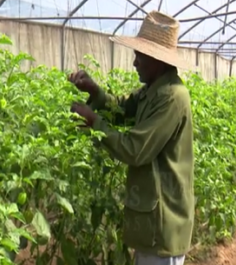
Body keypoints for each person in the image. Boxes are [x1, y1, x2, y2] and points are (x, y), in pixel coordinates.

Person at [69, 11, 195, 265]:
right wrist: (95, 91)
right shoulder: (154, 90)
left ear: (158, 59)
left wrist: (94, 122)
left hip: (163, 223)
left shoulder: (171, 97)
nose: (135, 62)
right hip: (152, 222)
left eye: (140, 55)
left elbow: (135, 150)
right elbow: (121, 109)